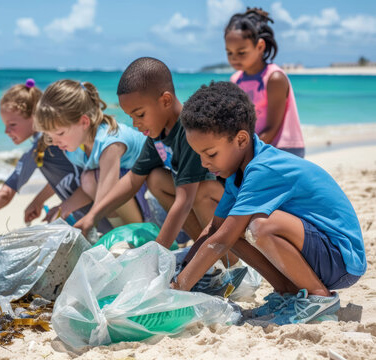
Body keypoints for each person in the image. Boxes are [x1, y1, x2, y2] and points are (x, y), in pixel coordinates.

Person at [173, 81, 366, 325]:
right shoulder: (237, 174)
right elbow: (215, 231)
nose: (204, 163)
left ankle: (319, 298)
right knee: (233, 231)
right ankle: (289, 293)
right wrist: (183, 269)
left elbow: (219, 243)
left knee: (260, 226)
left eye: (210, 154)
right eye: (198, 155)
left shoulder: (263, 168)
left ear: (241, 140)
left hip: (341, 260)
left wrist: (178, 289)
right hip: (318, 254)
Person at [74, 58, 241, 280]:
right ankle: (202, 251)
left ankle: (228, 258)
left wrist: (157, 254)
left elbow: (184, 202)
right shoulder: (158, 134)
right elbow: (133, 179)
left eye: (140, 114)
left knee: (199, 191)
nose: (135, 124)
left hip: (235, 208)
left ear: (165, 100)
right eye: (131, 116)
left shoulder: (190, 131)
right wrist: (93, 216)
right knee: (155, 178)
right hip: (208, 209)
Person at [0, 79, 111, 236]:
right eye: (5, 125)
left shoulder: (50, 144)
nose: (6, 131)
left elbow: (5, 194)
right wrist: (38, 200)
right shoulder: (58, 140)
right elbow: (69, 174)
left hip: (99, 217)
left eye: (12, 124)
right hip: (99, 214)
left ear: (34, 116)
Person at [34, 79, 150, 226]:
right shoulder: (76, 148)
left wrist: (88, 220)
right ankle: (122, 230)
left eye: (60, 133)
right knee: (88, 178)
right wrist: (63, 208)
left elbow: (107, 192)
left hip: (153, 188)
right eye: (50, 136)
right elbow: (91, 186)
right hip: (134, 187)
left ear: (84, 122)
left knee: (95, 180)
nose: (55, 142)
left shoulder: (109, 142)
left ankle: (140, 230)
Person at [225, 7, 305, 157]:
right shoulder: (235, 80)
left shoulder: (274, 78)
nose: (234, 58)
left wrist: (247, 152)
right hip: (254, 149)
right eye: (229, 52)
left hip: (284, 149)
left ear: (260, 46)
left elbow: (272, 127)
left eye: (241, 52)